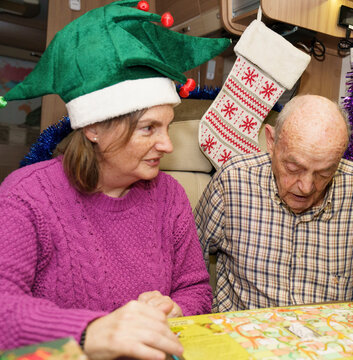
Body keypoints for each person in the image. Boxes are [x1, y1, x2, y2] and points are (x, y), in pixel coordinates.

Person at [0, 1, 230, 358]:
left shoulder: (169, 195)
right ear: (94, 127)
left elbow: (196, 287)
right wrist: (89, 331)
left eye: (167, 126)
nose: (167, 145)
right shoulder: (26, 195)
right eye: (148, 128)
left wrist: (176, 310)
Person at [194, 94, 353, 313]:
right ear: (271, 142)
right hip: (243, 340)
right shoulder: (233, 182)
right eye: (294, 168)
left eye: (324, 172)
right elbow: (188, 264)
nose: (306, 187)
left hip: (329, 342)